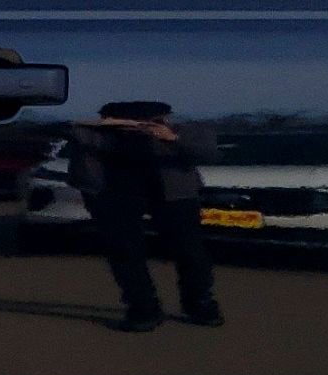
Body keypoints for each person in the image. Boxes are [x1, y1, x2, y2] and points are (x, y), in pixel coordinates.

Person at [65, 99, 221, 333]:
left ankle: (200, 304)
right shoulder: (93, 134)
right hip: (113, 194)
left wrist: (172, 138)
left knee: (189, 250)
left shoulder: (182, 130)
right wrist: (99, 126)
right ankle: (143, 309)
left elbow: (208, 153)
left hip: (174, 195)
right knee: (124, 252)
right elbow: (48, 132)